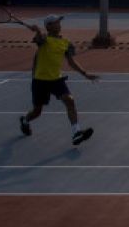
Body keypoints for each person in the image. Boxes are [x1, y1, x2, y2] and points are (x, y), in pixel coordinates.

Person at [18, 14, 99, 144]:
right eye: (56, 23)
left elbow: (71, 62)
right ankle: (25, 120)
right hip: (40, 80)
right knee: (37, 112)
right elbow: (39, 40)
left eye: (59, 22)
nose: (59, 25)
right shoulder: (44, 39)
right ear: (48, 26)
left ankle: (76, 133)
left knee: (69, 101)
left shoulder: (66, 43)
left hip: (56, 80)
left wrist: (85, 73)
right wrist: (38, 31)